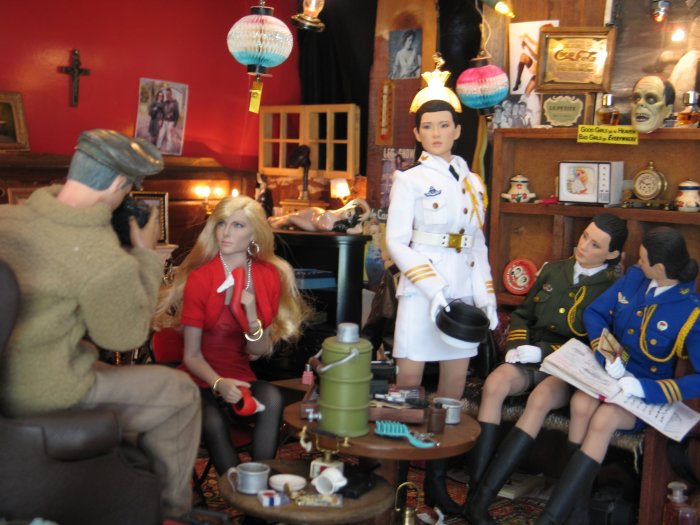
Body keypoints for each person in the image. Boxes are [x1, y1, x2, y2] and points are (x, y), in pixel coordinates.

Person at [0, 129, 202, 518]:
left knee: (102, 368)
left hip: (14, 371)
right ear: (116, 183)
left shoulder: (6, 217)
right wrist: (146, 255)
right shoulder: (98, 253)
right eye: (127, 189)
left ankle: (114, 474)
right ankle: (170, 512)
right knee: (179, 392)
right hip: (41, 389)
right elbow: (124, 336)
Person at [462, 214, 628, 524]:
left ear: (612, 254)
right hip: (532, 356)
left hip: (570, 369)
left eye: (595, 245)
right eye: (585, 237)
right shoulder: (554, 270)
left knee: (539, 399)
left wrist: (544, 352)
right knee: (495, 383)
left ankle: (499, 497)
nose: (584, 246)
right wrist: (517, 346)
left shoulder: (613, 289)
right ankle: (477, 495)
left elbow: (595, 343)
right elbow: (523, 315)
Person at [535, 226, 700, 524]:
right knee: (581, 405)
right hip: (609, 375)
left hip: (643, 392)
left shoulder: (690, 312)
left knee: (603, 420)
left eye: (644, 259)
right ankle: (577, 514)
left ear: (660, 268)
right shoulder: (636, 278)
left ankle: (551, 517)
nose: (638, 262)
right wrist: (608, 354)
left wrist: (645, 389)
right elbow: (595, 313)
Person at [385, 98, 498, 515]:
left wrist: (486, 298)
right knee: (408, 388)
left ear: (457, 130)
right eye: (428, 126)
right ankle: (394, 487)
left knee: (451, 393)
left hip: (462, 291)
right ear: (417, 134)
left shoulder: (474, 182)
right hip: (422, 290)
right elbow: (397, 242)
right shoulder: (410, 180)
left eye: (444, 125)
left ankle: (435, 486)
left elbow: (477, 244)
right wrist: (432, 288)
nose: (436, 133)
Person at [153, 195, 307, 477]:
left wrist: (250, 314)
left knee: (272, 397)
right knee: (212, 420)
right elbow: (191, 356)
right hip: (198, 379)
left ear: (254, 234)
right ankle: (236, 488)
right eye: (222, 223)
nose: (226, 232)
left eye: (238, 225)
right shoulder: (201, 278)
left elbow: (257, 351)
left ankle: (257, 486)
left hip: (240, 375)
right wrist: (219, 384)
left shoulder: (267, 276)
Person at [267, 198, 370, 234]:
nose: (346, 212)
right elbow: (359, 200)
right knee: (290, 215)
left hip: (311, 224)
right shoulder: (343, 209)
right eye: (349, 210)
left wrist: (360, 221)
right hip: (315, 212)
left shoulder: (338, 226)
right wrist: (367, 212)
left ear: (349, 220)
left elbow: (358, 230)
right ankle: (272, 220)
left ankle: (273, 226)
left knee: (290, 218)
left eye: (349, 214)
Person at [157, 87, 180, 151]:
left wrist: (174, 125)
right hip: (164, 121)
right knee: (160, 135)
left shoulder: (175, 103)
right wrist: (160, 119)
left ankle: (168, 149)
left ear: (171, 94)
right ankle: (158, 147)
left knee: (168, 136)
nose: (167, 95)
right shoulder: (165, 102)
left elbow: (177, 114)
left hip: (171, 122)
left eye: (168, 94)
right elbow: (162, 112)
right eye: (166, 94)